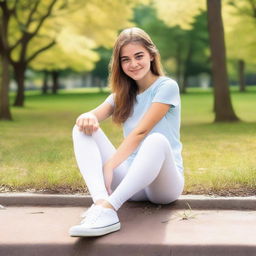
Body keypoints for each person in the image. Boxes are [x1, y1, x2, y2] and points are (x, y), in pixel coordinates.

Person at [69, 27, 184, 237]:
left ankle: (110, 207)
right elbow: (92, 116)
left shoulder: (166, 86)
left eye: (139, 56)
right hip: (133, 184)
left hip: (164, 185)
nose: (133, 64)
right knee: (81, 129)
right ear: (119, 64)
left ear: (151, 54)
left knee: (155, 139)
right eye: (125, 59)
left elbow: (141, 132)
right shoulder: (121, 95)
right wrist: (87, 116)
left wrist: (110, 165)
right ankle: (100, 204)